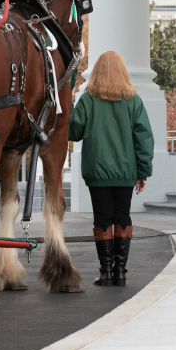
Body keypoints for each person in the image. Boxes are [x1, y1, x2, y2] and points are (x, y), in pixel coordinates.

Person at [69, 51, 154, 286]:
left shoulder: (87, 100)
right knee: (122, 216)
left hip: (97, 172)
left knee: (102, 217)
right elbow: (144, 138)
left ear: (96, 71)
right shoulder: (133, 100)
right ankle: (121, 272)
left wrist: (69, 103)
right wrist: (143, 171)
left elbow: (73, 132)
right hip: (126, 172)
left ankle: (105, 271)